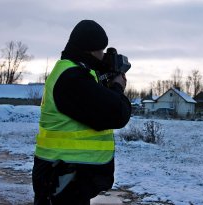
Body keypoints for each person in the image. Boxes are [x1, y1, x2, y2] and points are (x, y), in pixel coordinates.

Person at [32, 20, 131, 205]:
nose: (103, 56)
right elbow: (117, 113)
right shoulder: (72, 78)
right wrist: (117, 86)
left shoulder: (73, 72)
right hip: (61, 176)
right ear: (90, 50)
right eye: (101, 51)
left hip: (65, 174)